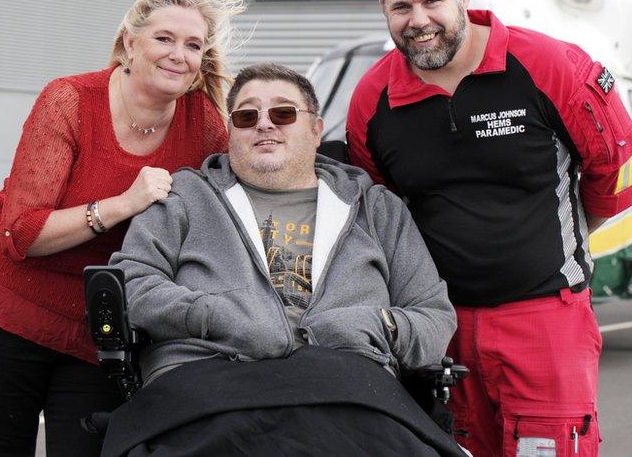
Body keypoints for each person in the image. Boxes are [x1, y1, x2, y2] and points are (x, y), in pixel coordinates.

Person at [346, 0, 632, 456]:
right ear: (383, 10)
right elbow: (382, 208)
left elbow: (616, 172)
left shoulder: (549, 67)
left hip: (544, 319)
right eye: (401, 6)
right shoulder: (373, 100)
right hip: (438, 325)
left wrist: (563, 238)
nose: (418, 20)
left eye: (432, 0)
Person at [0, 0, 246, 456]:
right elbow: (21, 233)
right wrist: (123, 204)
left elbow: (228, 210)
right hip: (9, 308)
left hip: (101, 324)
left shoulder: (204, 123)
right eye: (164, 39)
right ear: (131, 43)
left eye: (194, 45)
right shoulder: (69, 100)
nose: (180, 54)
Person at [105, 63, 459, 455]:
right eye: (246, 116)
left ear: (315, 129)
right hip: (207, 382)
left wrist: (374, 324)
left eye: (283, 113)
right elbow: (130, 283)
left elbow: (433, 315)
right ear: (230, 131)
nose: (264, 124)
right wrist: (214, 316)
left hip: (350, 389)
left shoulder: (376, 210)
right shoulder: (185, 198)